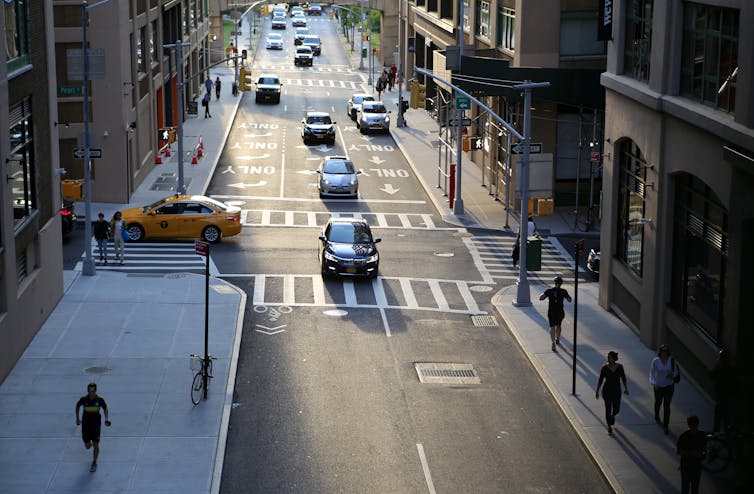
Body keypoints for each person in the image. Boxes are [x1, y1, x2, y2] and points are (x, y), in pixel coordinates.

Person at [75, 382, 111, 472]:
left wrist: (106, 419)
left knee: (96, 445)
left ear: (96, 391)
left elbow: (105, 408)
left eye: (93, 391)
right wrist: (77, 418)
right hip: (86, 426)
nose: (91, 393)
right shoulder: (83, 399)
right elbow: (77, 406)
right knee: (87, 446)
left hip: (96, 426)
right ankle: (89, 444)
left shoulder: (100, 400)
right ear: (87, 391)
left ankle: (94, 462)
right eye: (90, 391)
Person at [595, 351, 629, 434]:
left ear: (614, 358)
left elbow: (623, 378)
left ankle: (613, 416)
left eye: (609, 357)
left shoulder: (620, 367)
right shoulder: (604, 367)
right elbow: (600, 380)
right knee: (608, 408)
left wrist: (626, 388)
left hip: (617, 390)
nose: (608, 359)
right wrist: (597, 391)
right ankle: (609, 426)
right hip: (607, 391)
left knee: (617, 408)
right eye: (608, 357)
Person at [649, 344, 680, 435]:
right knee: (658, 402)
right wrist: (654, 383)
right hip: (658, 387)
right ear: (660, 352)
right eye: (662, 351)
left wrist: (672, 375)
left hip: (669, 387)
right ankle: (656, 414)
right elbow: (651, 373)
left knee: (667, 406)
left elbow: (676, 372)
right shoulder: (656, 361)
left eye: (666, 351)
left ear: (668, 352)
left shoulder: (672, 360)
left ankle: (666, 425)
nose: (664, 353)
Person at [539, 276, 572, 351]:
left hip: (551, 312)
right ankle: (558, 338)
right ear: (561, 284)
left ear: (555, 283)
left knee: (552, 327)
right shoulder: (564, 291)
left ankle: (553, 342)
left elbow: (541, 298)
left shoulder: (549, 291)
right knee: (559, 325)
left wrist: (544, 295)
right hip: (560, 312)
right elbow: (569, 300)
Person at [677, 415, 707, 494]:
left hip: (688, 466)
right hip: (694, 467)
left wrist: (688, 454)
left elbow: (679, 451)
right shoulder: (701, 436)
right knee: (693, 489)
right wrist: (695, 454)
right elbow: (704, 452)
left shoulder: (683, 436)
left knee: (687, 489)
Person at [710, 348, 736, 432]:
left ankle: (717, 434)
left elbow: (711, 375)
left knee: (719, 417)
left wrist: (716, 365)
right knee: (726, 418)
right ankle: (727, 435)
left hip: (722, 396)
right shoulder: (731, 369)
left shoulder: (720, 368)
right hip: (729, 397)